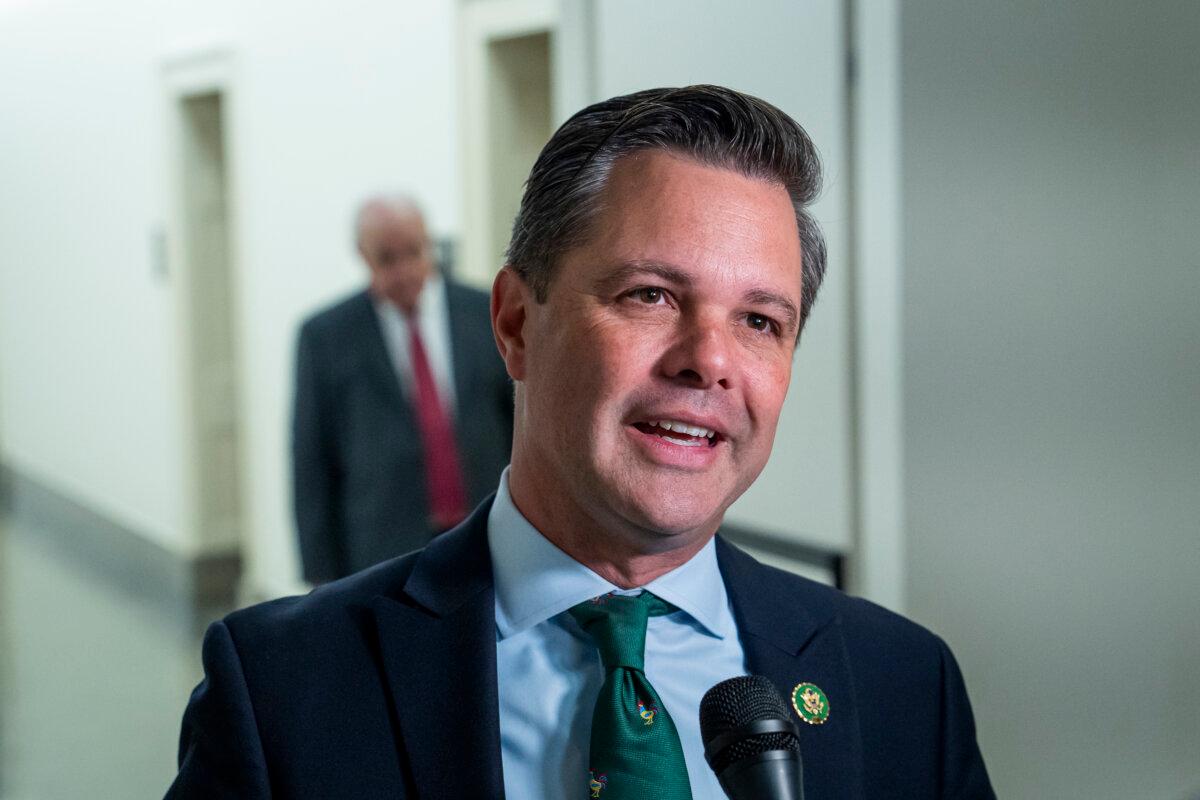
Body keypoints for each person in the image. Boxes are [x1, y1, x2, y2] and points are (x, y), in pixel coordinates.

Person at [167, 86, 994, 798]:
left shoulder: (903, 685)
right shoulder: (281, 690)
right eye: (651, 295)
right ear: (515, 323)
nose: (708, 360)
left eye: (759, 320)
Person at [291, 196, 512, 582]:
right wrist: (321, 576)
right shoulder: (326, 337)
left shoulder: (483, 313)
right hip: (383, 546)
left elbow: (519, 421)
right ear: (363, 255)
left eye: (414, 252)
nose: (405, 270)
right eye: (387, 259)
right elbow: (311, 460)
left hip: (485, 529)